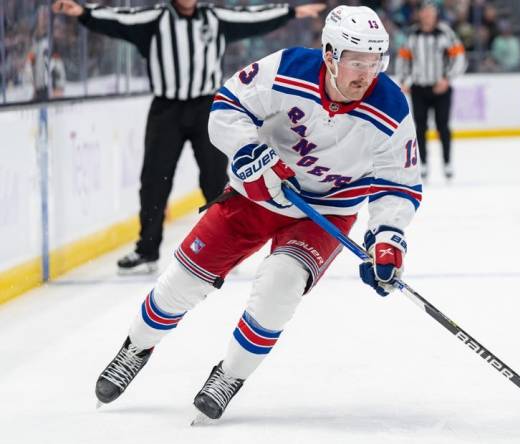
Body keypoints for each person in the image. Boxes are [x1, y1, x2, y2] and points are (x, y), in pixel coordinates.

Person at [93, 5, 422, 422]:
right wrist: (251, 153)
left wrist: (388, 238)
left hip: (326, 211)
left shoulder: (391, 106)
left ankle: (229, 375)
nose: (366, 74)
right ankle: (136, 347)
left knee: (280, 285)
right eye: (357, 61)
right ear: (330, 54)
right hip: (256, 196)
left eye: (375, 62)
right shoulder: (288, 68)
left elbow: (399, 183)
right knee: (183, 283)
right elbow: (227, 106)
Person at [52, 0, 326, 274]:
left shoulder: (215, 17)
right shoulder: (155, 18)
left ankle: (223, 247)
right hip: (166, 110)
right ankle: (147, 251)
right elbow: (120, 19)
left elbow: (252, 17)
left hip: (206, 108)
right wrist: (84, 13)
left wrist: (290, 12)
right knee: (154, 180)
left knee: (215, 179)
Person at [396, 1, 466, 181]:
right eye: (424, 12)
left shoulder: (446, 33)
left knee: (443, 126)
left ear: (436, 14)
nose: (427, 15)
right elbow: (403, 58)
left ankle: (447, 163)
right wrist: (403, 80)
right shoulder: (412, 34)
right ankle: (424, 164)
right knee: (420, 128)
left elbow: (459, 57)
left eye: (430, 12)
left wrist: (447, 78)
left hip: (441, 88)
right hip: (419, 88)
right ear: (420, 14)